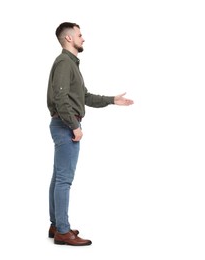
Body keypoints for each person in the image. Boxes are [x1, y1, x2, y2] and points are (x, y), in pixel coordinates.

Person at [47, 22, 134, 246]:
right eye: (79, 35)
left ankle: (57, 225)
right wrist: (74, 126)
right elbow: (60, 98)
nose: (83, 38)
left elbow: (83, 96)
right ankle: (63, 232)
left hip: (63, 123)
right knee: (64, 180)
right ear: (68, 38)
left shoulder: (70, 64)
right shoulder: (65, 62)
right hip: (66, 125)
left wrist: (112, 100)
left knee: (58, 177)